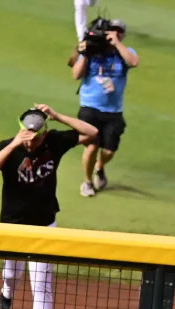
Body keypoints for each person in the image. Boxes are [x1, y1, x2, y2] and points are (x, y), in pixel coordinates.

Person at [0, 105, 98, 309]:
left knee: (42, 286)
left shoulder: (54, 141)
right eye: (27, 134)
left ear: (44, 134)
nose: (30, 141)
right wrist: (13, 145)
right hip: (12, 227)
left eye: (35, 136)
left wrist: (57, 116)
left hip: (45, 227)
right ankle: (7, 291)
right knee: (11, 273)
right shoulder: (8, 146)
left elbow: (92, 133)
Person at [72, 18, 139, 197]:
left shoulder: (125, 52)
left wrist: (116, 44)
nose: (114, 33)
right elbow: (76, 74)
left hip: (113, 111)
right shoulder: (93, 50)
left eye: (119, 31)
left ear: (122, 35)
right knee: (91, 147)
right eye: (112, 30)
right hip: (89, 107)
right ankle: (87, 182)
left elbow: (133, 62)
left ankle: (99, 167)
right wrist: (85, 54)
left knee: (109, 151)